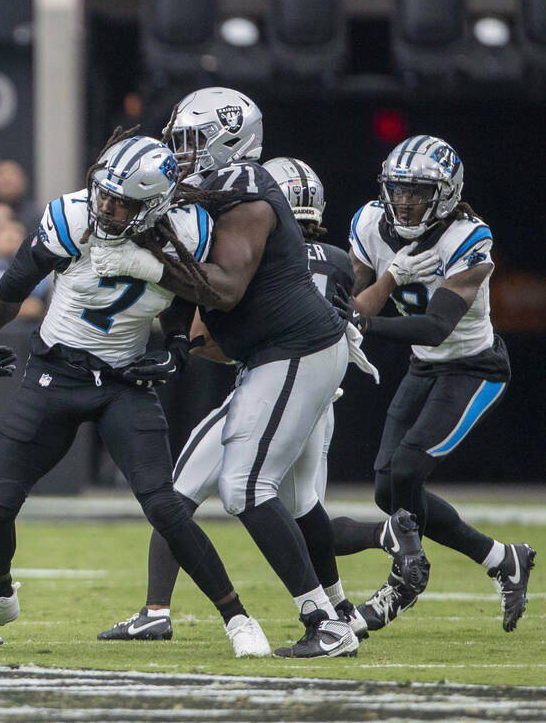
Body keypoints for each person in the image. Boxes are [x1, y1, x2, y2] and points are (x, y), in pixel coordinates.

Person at [0, 133, 271, 659]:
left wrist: (177, 346)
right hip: (54, 372)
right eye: (104, 194)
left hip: (124, 382)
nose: (107, 208)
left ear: (155, 204)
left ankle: (237, 618)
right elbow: (14, 285)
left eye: (122, 201)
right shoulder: (72, 218)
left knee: (165, 506)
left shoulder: (188, 231)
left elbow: (183, 297)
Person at [97, 157, 419, 644]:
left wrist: (177, 330)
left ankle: (159, 609)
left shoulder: (257, 258)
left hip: (278, 379)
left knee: (184, 494)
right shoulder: (334, 259)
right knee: (299, 507)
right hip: (318, 392)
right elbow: (347, 318)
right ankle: (343, 598)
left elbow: (217, 331)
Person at [339, 135, 534, 632]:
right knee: (388, 490)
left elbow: (435, 327)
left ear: (447, 194)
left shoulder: (469, 238)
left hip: (474, 367)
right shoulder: (368, 223)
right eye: (398, 189)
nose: (404, 201)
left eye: (417, 191)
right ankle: (501, 559)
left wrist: (364, 323)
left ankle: (402, 583)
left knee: (405, 472)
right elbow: (356, 305)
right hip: (424, 367)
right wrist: (386, 282)